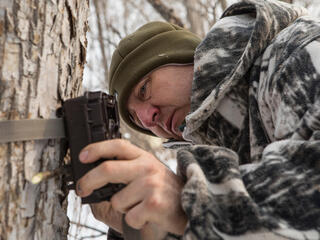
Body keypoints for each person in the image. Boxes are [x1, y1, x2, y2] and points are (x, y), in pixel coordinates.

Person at [76, 0, 320, 239]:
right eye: (135, 118)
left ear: (183, 57)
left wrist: (192, 202)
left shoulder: (294, 54)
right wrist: (140, 227)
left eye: (144, 90)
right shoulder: (211, 163)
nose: (148, 119)